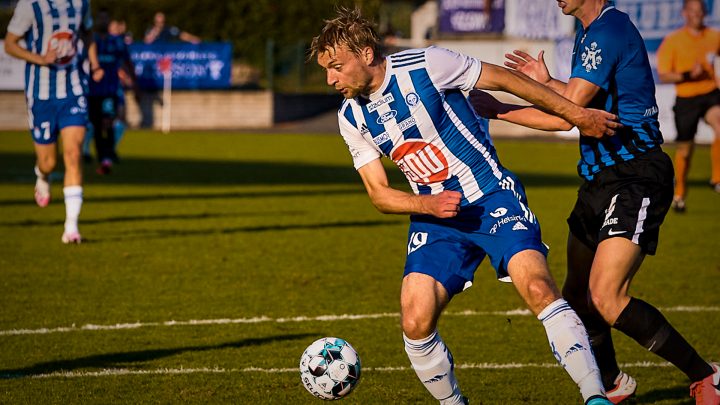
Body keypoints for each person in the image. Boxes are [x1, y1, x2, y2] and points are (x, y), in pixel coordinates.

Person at [311, 7, 621, 405]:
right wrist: (427, 203)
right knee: (415, 319)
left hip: (492, 196)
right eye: (326, 70)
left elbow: (508, 81)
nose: (330, 79)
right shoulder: (350, 117)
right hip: (437, 217)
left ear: (367, 54)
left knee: (539, 287)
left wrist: (575, 115)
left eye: (336, 66)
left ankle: (594, 396)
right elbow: (378, 193)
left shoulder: (429, 64)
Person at [468, 1, 720, 404]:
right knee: (578, 296)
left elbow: (567, 115)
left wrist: (497, 105)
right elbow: (575, 99)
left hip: (635, 174)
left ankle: (706, 376)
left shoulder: (608, 30)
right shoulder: (590, 31)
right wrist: (548, 82)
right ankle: (613, 382)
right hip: (598, 178)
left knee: (606, 295)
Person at [4, 0, 103, 244]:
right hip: (41, 95)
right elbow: (10, 45)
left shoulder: (81, 3)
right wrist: (40, 58)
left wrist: (95, 63)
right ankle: (42, 174)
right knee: (49, 162)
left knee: (73, 153)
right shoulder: (31, 5)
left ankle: (71, 228)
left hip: (74, 90)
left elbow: (87, 34)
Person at [657, 0, 720, 212]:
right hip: (686, 98)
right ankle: (680, 191)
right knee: (685, 150)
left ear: (705, 13)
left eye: (700, 11)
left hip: (711, 94)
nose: (697, 15)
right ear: (685, 13)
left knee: (719, 123)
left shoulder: (714, 36)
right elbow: (664, 75)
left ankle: (717, 178)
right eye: (692, 11)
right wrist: (686, 75)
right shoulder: (673, 41)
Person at [88, 9, 136, 174]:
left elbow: (128, 62)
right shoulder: (90, 41)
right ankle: (102, 156)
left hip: (109, 90)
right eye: (100, 18)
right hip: (92, 91)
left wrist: (134, 83)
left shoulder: (117, 42)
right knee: (95, 125)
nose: (102, 21)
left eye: (105, 18)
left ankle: (107, 157)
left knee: (108, 122)